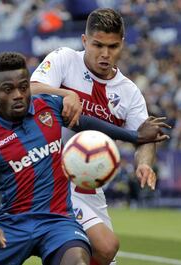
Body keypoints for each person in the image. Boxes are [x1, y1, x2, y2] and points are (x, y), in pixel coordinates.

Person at [0, 52, 169, 265]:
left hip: (58, 222)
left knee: (80, 261)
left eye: (24, 87)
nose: (18, 95)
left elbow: (87, 123)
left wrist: (135, 136)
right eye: (8, 89)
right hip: (12, 227)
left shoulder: (48, 106)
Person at [30, 8, 161, 265]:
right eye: (97, 45)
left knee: (105, 253)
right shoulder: (64, 59)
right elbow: (32, 90)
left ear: (122, 44)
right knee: (104, 245)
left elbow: (144, 137)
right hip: (46, 174)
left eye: (112, 47)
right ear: (84, 41)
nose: (105, 53)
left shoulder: (128, 93)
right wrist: (66, 94)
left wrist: (144, 163)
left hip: (86, 184)